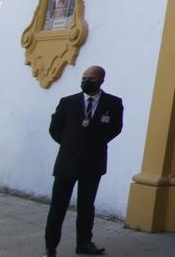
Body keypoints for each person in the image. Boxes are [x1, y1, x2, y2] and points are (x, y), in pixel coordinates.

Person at [44, 65, 123, 257]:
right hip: (67, 161)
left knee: (86, 206)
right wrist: (71, 144)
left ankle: (84, 243)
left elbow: (115, 128)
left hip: (93, 162)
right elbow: (55, 129)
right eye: (84, 78)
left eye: (91, 79)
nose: (86, 81)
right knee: (58, 206)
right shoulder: (68, 102)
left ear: (101, 81)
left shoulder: (113, 103)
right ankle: (51, 246)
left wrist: (94, 143)